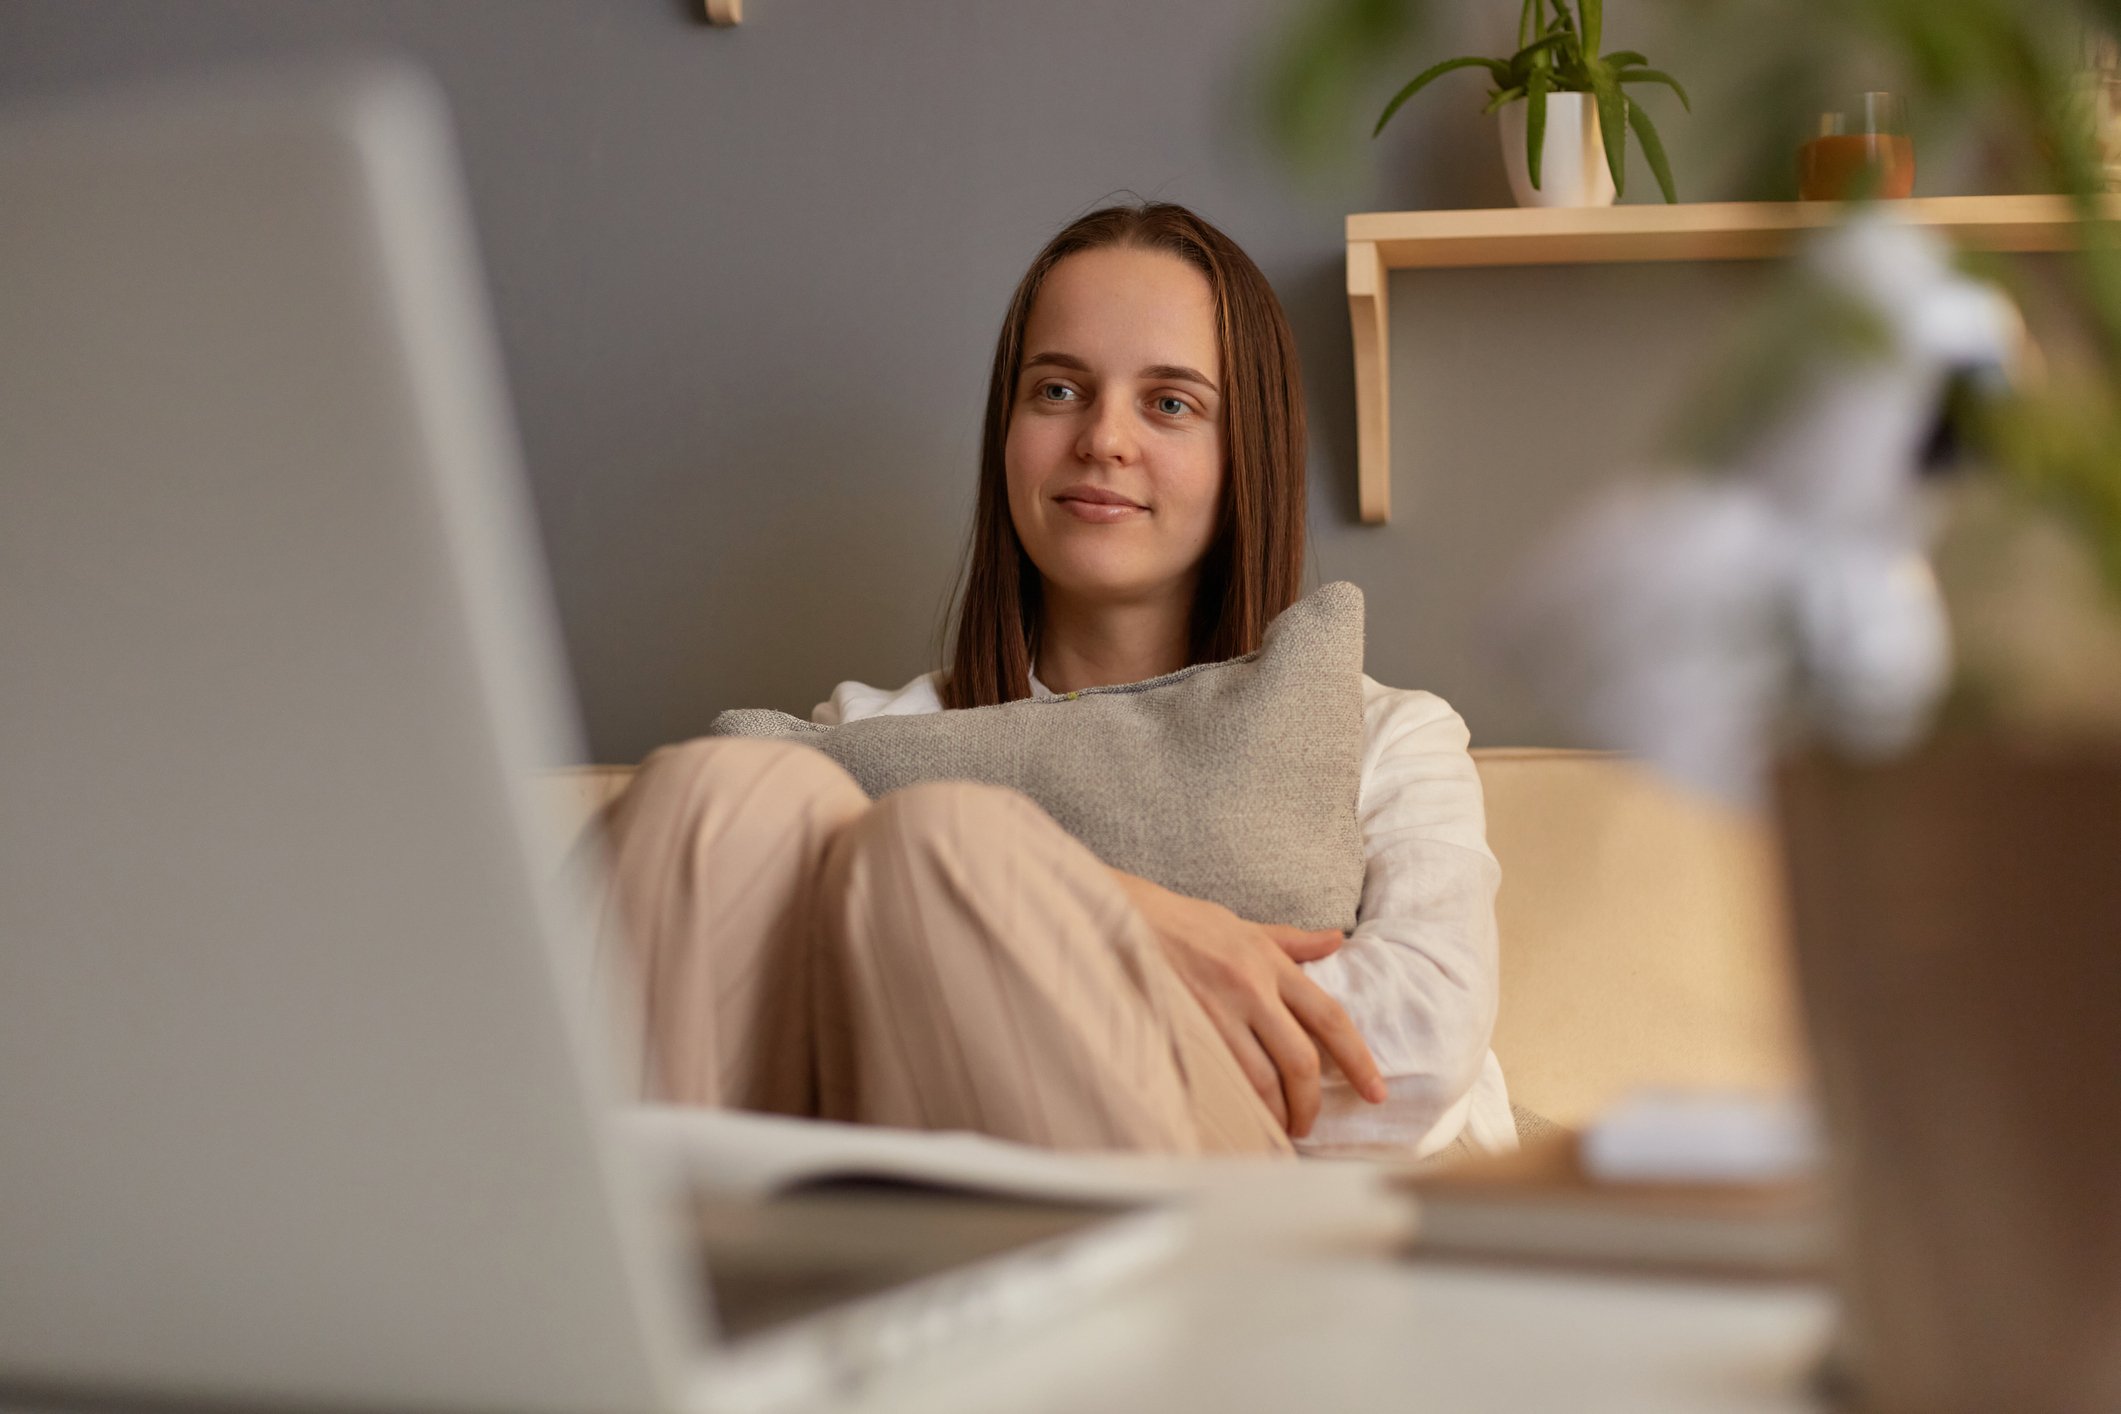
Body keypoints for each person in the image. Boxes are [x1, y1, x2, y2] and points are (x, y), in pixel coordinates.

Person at [598, 202, 1512, 1161]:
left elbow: (1410, 1056)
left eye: (1169, 403)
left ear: (1247, 453)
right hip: (899, 1199)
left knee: (936, 837)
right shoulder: (874, 733)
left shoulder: (1391, 735)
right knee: (702, 791)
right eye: (1058, 390)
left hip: (1241, 1199)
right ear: (1009, 429)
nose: (1103, 439)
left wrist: (1021, 939)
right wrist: (1129, 916)